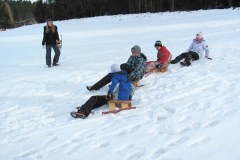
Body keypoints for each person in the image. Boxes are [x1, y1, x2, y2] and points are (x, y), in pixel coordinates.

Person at [70, 64, 135, 119]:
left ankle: (83, 112)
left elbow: (115, 84)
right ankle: (87, 107)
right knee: (100, 100)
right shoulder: (126, 76)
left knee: (94, 98)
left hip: (117, 99)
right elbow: (133, 87)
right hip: (126, 99)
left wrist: (110, 93)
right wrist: (129, 96)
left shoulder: (116, 76)